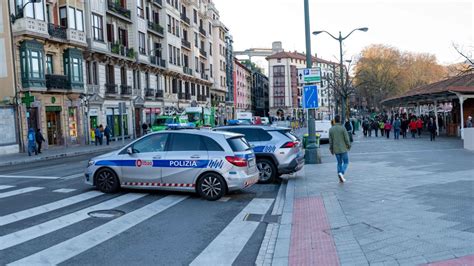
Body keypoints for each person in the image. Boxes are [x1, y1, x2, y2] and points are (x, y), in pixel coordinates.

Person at [329, 115, 351, 183]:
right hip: (343, 148)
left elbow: (330, 141)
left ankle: (339, 174)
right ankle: (341, 173)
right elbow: (346, 138)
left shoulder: (331, 129)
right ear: (340, 120)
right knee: (346, 162)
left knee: (339, 163)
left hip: (336, 149)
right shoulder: (342, 128)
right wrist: (348, 145)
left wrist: (331, 149)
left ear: (335, 120)